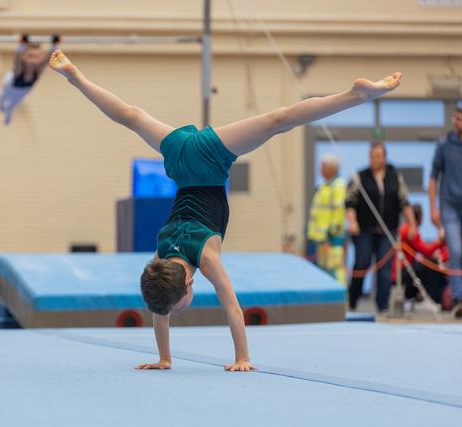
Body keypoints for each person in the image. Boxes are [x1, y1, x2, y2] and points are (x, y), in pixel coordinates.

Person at [48, 49, 402, 371]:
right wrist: (164, 358)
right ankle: (76, 76)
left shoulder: (206, 259)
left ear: (189, 282)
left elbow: (232, 306)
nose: (172, 313)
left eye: (177, 306)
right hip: (182, 159)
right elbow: (159, 309)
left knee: (279, 119)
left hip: (210, 160)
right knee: (131, 116)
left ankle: (355, 96)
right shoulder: (160, 260)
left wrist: (242, 358)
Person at [346, 142, 416, 312]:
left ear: (385, 157)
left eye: (378, 156)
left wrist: (412, 224)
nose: (375, 159)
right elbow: (350, 202)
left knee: (384, 269)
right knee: (362, 263)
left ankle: (383, 306)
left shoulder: (394, 176)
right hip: (364, 230)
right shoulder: (360, 176)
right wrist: (352, 222)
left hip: (388, 230)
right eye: (372, 156)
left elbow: (405, 202)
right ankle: (353, 300)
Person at [429, 106, 462, 318]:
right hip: (449, 206)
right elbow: (433, 179)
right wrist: (433, 208)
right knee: (456, 251)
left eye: (460, 118)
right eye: (455, 117)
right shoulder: (444, 144)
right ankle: (459, 299)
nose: (456, 121)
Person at [0, 34, 60, 125]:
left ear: (40, 58)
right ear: (24, 56)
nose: (32, 60)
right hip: (10, 84)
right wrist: (22, 45)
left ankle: (8, 113)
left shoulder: (39, 68)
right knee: (2, 96)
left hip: (24, 90)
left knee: (13, 104)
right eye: (30, 56)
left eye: (36, 57)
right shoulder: (20, 67)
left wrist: (54, 45)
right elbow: (17, 59)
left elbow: (48, 59)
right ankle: (1, 108)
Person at [392, 204, 448, 306]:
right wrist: (439, 242)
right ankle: (430, 298)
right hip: (403, 271)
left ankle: (423, 297)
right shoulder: (410, 230)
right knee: (431, 264)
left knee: (428, 264)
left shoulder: (405, 228)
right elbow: (425, 251)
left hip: (402, 270)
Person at [307, 153, 347, 285]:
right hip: (321, 238)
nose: (320, 169)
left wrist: (331, 232)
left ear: (332, 168)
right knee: (323, 270)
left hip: (332, 238)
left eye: (323, 166)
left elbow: (339, 210)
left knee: (335, 268)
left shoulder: (338, 185)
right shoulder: (324, 185)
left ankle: (340, 298)